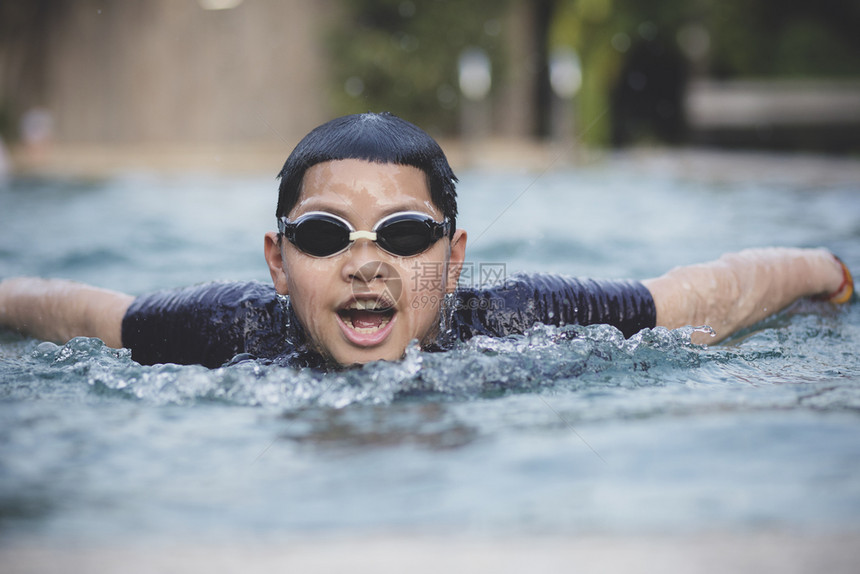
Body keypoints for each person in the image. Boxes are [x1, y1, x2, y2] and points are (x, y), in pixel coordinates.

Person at [0, 113, 854, 369]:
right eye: (326, 235)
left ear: (453, 258)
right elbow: (79, 312)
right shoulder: (234, 329)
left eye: (405, 235)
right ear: (276, 262)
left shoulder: (518, 318)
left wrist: (824, 267)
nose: (365, 261)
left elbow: (699, 298)